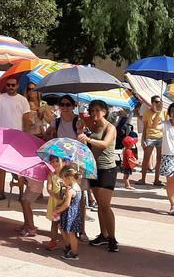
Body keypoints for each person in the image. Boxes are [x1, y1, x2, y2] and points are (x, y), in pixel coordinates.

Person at [46, 94, 89, 241]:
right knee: (64, 196)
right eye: (62, 105)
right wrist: (50, 133)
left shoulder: (79, 121)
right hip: (62, 165)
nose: (64, 108)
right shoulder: (56, 122)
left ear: (73, 106)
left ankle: (81, 230)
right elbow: (48, 136)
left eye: (68, 105)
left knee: (79, 197)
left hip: (77, 164)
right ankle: (66, 226)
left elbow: (83, 142)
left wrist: (81, 130)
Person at [80, 100, 120, 253]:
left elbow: (104, 144)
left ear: (104, 111)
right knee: (100, 205)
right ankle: (103, 235)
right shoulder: (92, 126)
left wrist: (88, 139)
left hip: (107, 169)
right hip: (93, 169)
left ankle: (112, 238)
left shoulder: (110, 127)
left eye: (97, 110)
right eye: (92, 110)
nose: (94, 113)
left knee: (105, 205)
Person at [0, 77, 30, 197]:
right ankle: (0, 191)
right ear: (6, 86)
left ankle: (21, 194)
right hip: (3, 136)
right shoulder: (0, 98)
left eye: (13, 85)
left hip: (18, 136)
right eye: (8, 85)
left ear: (17, 86)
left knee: (19, 167)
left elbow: (26, 119)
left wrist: (25, 134)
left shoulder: (23, 100)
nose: (10, 87)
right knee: (1, 166)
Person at [54, 164, 84, 261]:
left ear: (69, 178)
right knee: (63, 228)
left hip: (70, 214)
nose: (63, 181)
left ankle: (74, 253)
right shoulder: (77, 187)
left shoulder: (70, 190)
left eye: (64, 179)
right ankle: (70, 247)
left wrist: (58, 210)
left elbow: (66, 204)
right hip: (74, 213)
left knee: (71, 234)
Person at [137, 96, 166, 186]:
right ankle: (143, 179)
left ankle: (156, 180)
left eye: (159, 101)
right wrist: (143, 139)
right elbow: (145, 127)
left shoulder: (164, 112)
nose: (158, 103)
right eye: (156, 102)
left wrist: (159, 111)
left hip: (161, 137)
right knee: (146, 158)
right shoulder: (147, 113)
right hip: (150, 137)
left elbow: (167, 125)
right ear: (152, 102)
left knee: (159, 159)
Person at [45, 155, 65, 251]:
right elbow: (48, 188)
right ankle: (53, 240)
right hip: (55, 203)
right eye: (52, 161)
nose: (55, 163)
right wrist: (54, 194)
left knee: (64, 224)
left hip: (64, 203)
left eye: (57, 161)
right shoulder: (51, 175)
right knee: (55, 223)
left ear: (63, 162)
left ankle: (68, 242)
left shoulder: (66, 175)